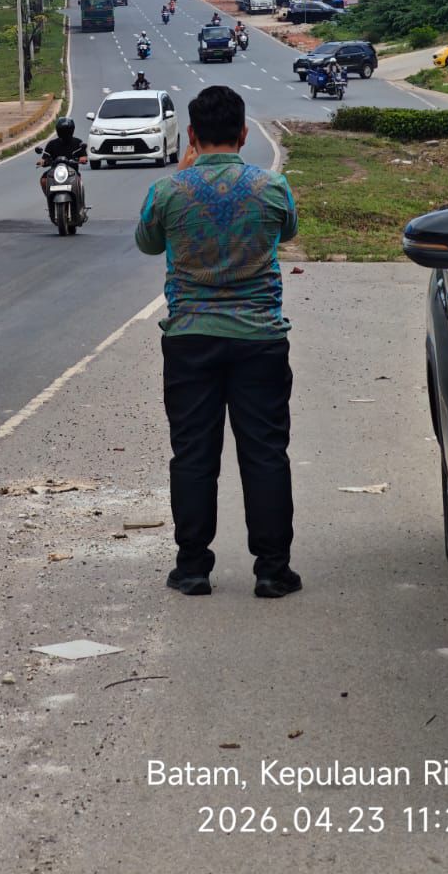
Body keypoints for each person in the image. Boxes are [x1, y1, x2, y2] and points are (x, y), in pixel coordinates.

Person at [135, 85, 300, 600]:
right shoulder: (273, 188)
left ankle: (192, 569)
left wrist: (183, 176)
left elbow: (147, 242)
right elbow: (288, 232)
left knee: (192, 456)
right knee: (266, 453)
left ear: (192, 135)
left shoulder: (169, 192)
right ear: (245, 134)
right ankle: (272, 570)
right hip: (259, 339)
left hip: (190, 339)